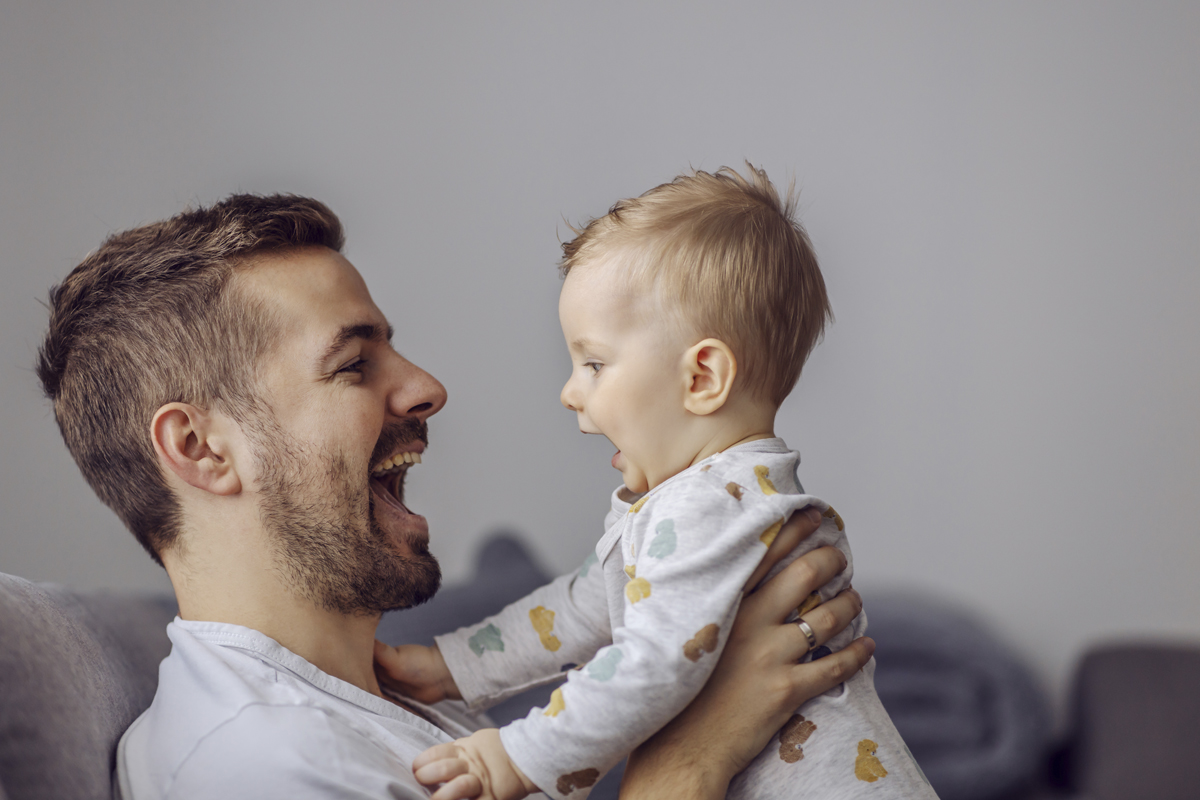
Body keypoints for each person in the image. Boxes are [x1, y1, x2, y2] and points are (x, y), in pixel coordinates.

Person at [34, 193, 874, 799]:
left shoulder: (384, 710)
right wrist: (692, 757)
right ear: (201, 449)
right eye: (353, 364)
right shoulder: (258, 766)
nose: (429, 387)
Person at [377, 166, 933, 800]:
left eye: (594, 364)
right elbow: (581, 605)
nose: (569, 393)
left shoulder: (712, 507)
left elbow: (653, 666)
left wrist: (514, 757)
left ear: (702, 379)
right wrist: (454, 665)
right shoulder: (701, 500)